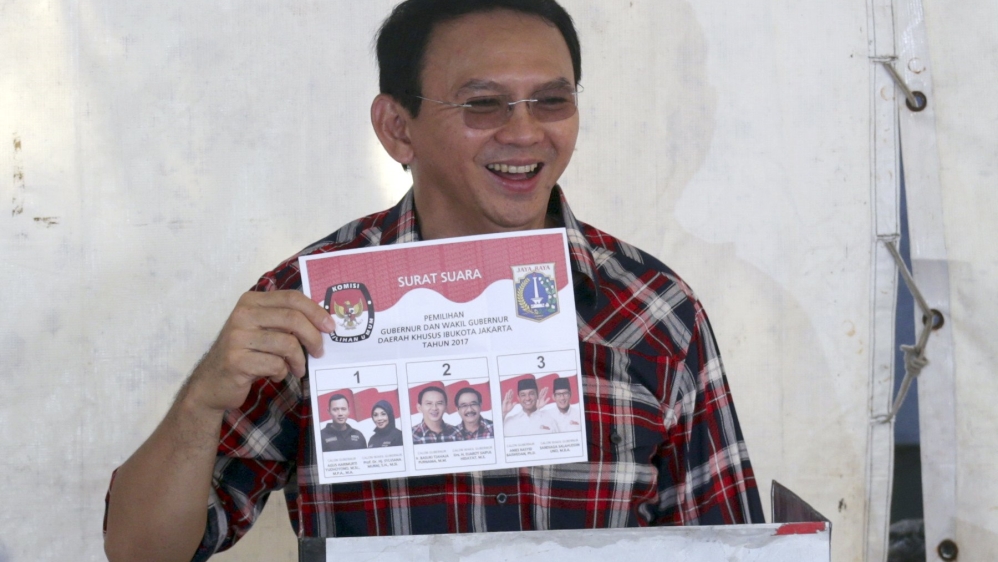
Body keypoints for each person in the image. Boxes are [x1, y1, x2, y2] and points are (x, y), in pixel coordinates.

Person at [103, 1, 764, 560]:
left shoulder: (653, 311)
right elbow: (141, 551)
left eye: (552, 100)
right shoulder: (309, 304)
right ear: (398, 129)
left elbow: (733, 546)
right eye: (484, 104)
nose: (525, 132)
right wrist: (202, 400)